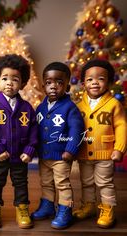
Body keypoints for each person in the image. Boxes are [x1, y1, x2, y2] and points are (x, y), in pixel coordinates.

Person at [0, 54, 38, 229]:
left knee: (21, 182)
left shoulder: (27, 108)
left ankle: (22, 209)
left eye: (15, 79)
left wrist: (29, 150)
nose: (9, 83)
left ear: (22, 83)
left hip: (19, 155)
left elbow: (33, 131)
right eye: (5, 78)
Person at [73, 59, 127, 228]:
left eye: (101, 79)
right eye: (90, 79)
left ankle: (107, 207)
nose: (95, 82)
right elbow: (73, 129)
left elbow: (121, 126)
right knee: (86, 181)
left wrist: (119, 148)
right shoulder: (78, 106)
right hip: (83, 152)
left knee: (104, 182)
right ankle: (88, 205)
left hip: (105, 152)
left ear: (109, 82)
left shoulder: (113, 104)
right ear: (83, 84)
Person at [31, 62, 84, 229]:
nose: (53, 86)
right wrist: (33, 147)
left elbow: (77, 130)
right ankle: (47, 206)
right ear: (43, 85)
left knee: (62, 183)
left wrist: (70, 150)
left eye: (59, 82)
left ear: (67, 85)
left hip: (61, 155)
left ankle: (65, 209)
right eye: (48, 82)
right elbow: (35, 129)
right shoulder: (40, 107)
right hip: (44, 155)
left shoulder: (70, 108)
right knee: (46, 182)